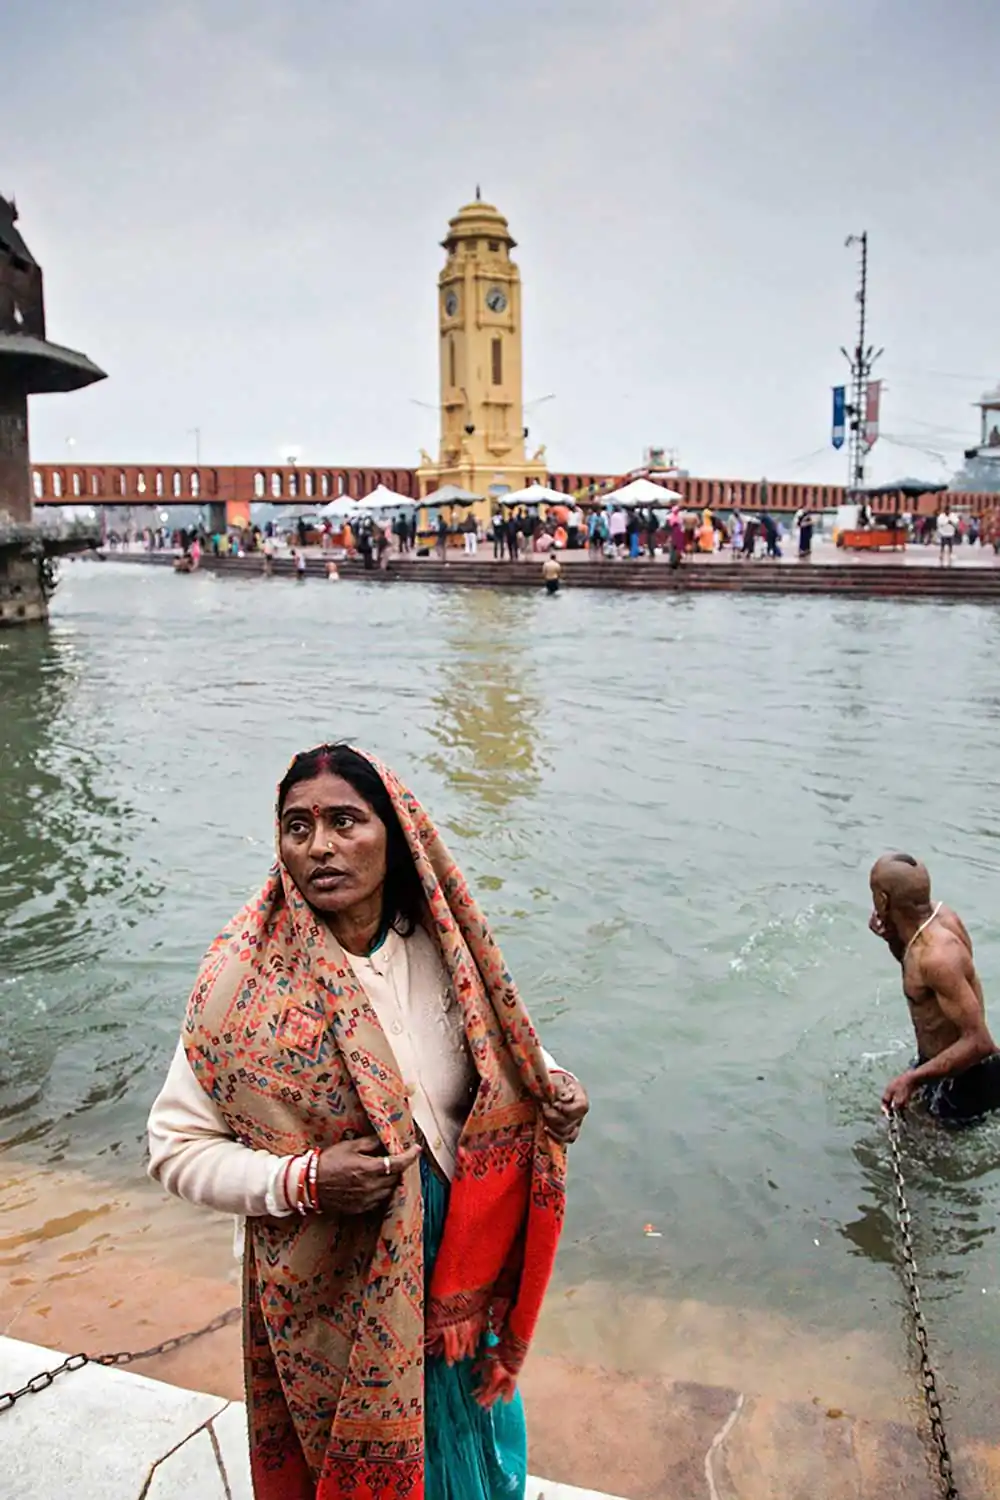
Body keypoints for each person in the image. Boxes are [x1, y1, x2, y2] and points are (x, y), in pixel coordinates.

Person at [148, 744, 589, 1500]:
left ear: (396, 833)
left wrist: (556, 1090)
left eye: (345, 821)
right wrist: (305, 1180)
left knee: (469, 1440)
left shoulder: (445, 952)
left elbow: (501, 1056)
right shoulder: (241, 986)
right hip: (337, 1280)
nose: (319, 846)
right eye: (298, 826)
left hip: (457, 1260)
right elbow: (174, 1147)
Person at [869, 853, 1000, 1123]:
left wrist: (912, 1079)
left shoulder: (937, 956)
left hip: (967, 1082)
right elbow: (920, 980)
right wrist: (892, 939)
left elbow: (980, 1042)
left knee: (927, 1162)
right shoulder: (939, 920)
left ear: (883, 899)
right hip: (946, 1068)